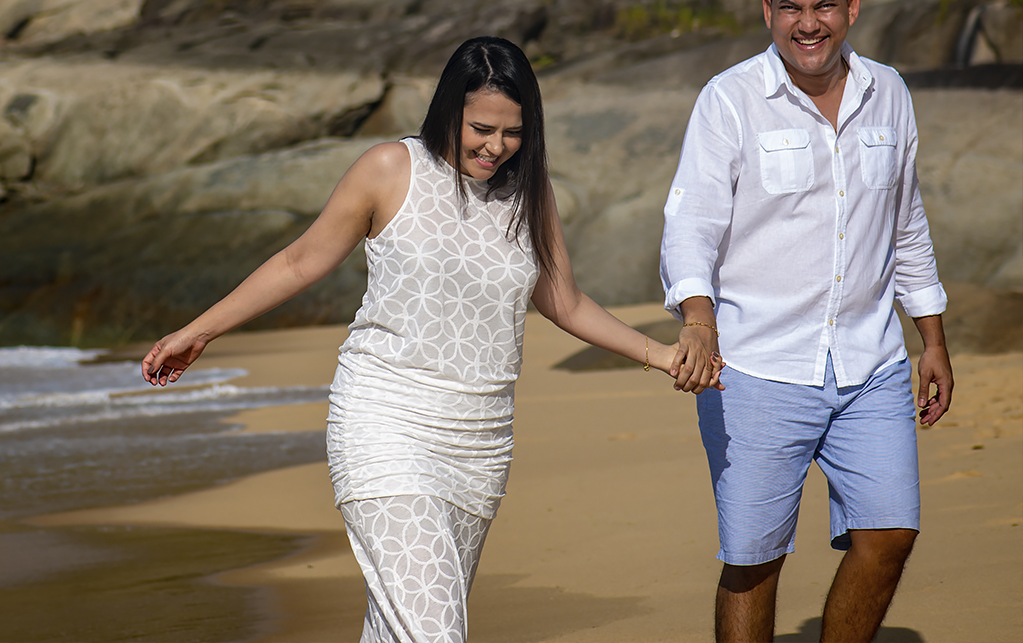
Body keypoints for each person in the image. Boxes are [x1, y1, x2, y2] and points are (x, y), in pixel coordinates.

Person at [143, 36, 723, 642]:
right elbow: (299, 262)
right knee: (434, 629)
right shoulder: (391, 169)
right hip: (384, 423)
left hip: (480, 446)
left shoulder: (529, 192)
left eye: (514, 132)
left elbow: (564, 301)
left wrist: (662, 355)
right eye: (481, 129)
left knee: (400, 629)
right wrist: (198, 332)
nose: (496, 146)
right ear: (449, 109)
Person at [660, 0, 954, 643]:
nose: (807, 24)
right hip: (755, 367)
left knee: (890, 534)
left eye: (823, 5)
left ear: (851, 6)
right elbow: (691, 224)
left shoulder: (889, 92)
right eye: (791, 7)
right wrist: (699, 319)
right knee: (753, 561)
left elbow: (906, 222)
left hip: (871, 363)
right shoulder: (729, 99)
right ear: (768, 9)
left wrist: (932, 338)